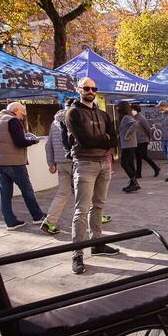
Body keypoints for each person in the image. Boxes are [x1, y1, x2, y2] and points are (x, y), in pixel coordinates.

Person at [65, 77, 119, 275]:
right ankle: (77, 253)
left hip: (104, 163)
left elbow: (115, 138)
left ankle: (98, 244)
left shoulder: (103, 114)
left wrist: (105, 141)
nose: (90, 91)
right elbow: (85, 141)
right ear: (79, 89)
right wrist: (104, 140)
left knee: (99, 206)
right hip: (85, 163)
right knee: (81, 210)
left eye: (93, 88)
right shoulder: (73, 113)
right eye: (86, 88)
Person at [0, 101, 45, 230]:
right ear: (15, 110)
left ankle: (10, 222)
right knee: (27, 190)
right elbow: (20, 142)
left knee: (5, 194)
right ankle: (37, 216)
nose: (23, 115)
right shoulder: (12, 120)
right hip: (14, 162)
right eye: (22, 112)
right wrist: (33, 141)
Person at [40, 99, 75, 235]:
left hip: (60, 163)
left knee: (62, 193)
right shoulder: (74, 118)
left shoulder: (54, 122)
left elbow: (48, 145)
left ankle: (49, 222)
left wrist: (51, 163)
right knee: (87, 189)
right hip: (74, 161)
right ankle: (96, 216)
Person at [116, 101, 141, 193]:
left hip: (128, 144)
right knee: (130, 163)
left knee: (124, 163)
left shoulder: (126, 117)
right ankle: (133, 182)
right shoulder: (127, 117)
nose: (116, 108)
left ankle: (134, 182)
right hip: (129, 144)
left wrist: (127, 134)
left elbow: (135, 123)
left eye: (118, 107)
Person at [132, 105, 160, 179]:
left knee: (143, 155)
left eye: (131, 110)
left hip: (143, 140)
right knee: (138, 157)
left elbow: (148, 129)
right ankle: (138, 173)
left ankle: (156, 168)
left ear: (135, 110)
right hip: (136, 141)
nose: (131, 111)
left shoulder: (141, 118)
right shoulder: (133, 118)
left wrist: (149, 138)